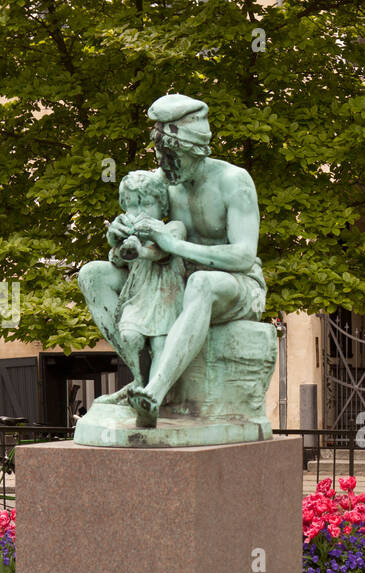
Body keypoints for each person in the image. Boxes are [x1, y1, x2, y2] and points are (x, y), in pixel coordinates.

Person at [79, 94, 267, 427]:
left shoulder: (233, 182)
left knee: (201, 282)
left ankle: (155, 392)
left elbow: (242, 255)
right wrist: (119, 236)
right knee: (94, 275)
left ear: (197, 151)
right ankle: (140, 377)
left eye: (173, 156)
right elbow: (141, 248)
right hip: (168, 278)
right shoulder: (160, 182)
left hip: (231, 284)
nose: (165, 166)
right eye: (160, 155)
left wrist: (173, 245)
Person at [109, 169, 187, 394]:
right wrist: (115, 239)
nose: (139, 213)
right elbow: (116, 258)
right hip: (138, 297)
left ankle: (154, 395)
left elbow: (162, 252)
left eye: (147, 204)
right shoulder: (130, 235)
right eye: (132, 206)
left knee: (161, 344)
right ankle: (140, 382)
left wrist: (140, 251)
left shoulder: (173, 227)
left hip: (165, 296)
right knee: (129, 336)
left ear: (162, 206)